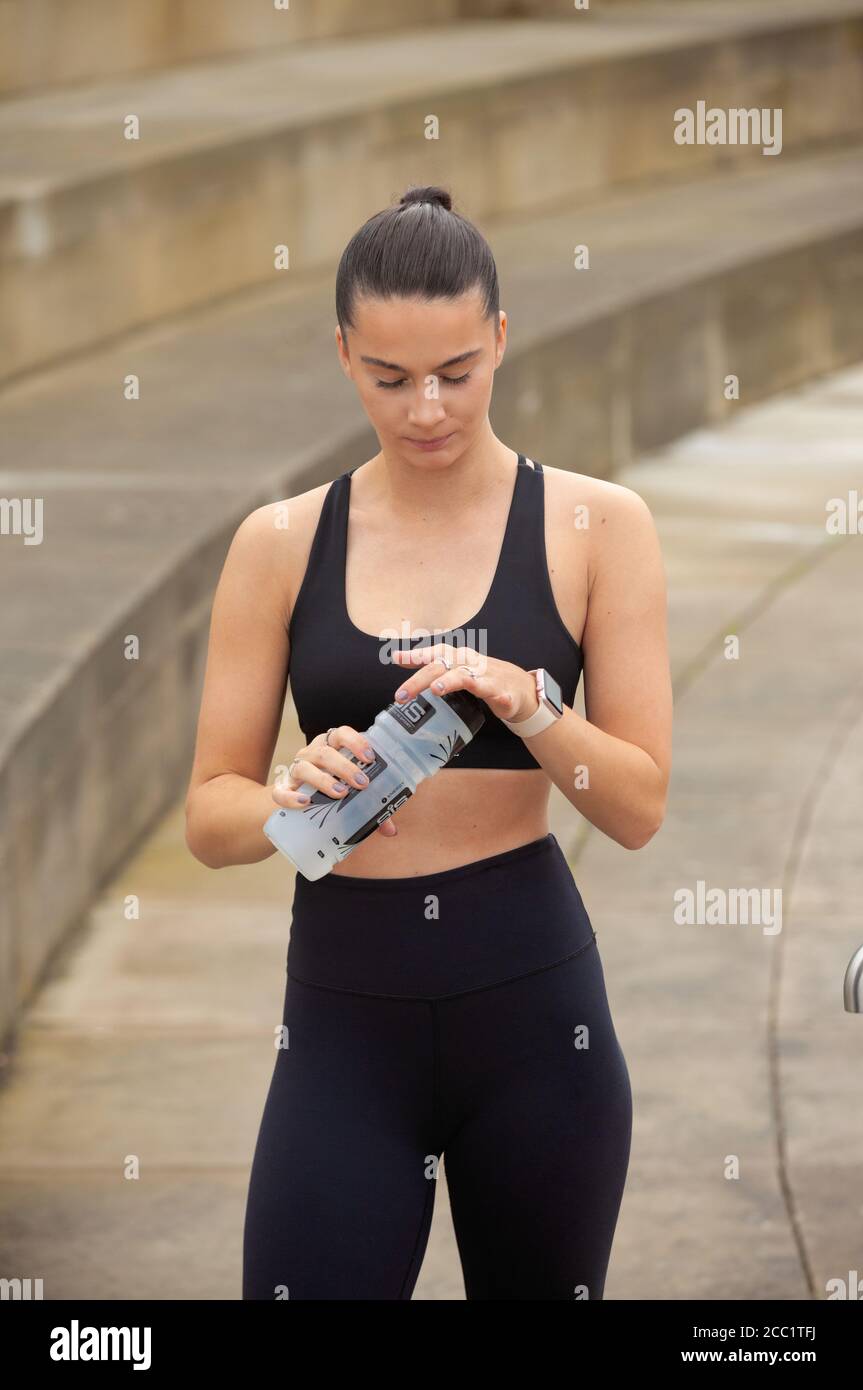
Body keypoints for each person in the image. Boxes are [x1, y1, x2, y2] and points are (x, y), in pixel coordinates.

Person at [184, 183, 672, 1300]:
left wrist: (532, 705)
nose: (427, 409)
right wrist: (279, 799)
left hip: (537, 1020)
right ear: (344, 354)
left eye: (457, 370)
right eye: (390, 378)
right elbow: (207, 817)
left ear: (499, 337)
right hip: (344, 1021)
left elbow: (637, 807)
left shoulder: (599, 527)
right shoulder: (278, 543)